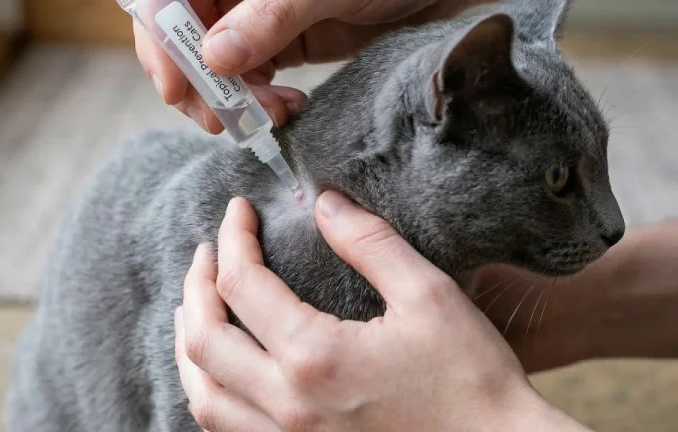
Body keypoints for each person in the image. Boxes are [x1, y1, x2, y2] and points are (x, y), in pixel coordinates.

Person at [134, 1, 678, 430]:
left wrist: (477, 414)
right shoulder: (216, 266)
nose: (614, 225)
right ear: (447, 106)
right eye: (560, 180)